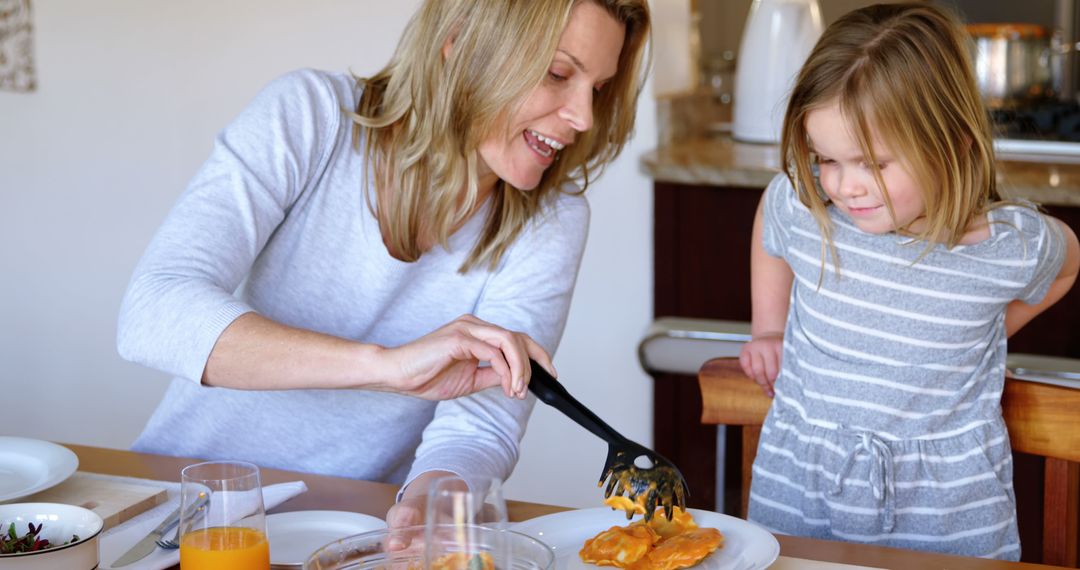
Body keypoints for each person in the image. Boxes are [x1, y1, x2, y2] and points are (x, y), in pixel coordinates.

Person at [116, 0, 650, 528]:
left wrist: (430, 506)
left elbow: (484, 417)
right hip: (182, 509)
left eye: (598, 89)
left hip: (352, 525)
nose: (584, 117)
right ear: (460, 43)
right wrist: (386, 368)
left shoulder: (552, 219)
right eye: (558, 73)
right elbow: (153, 313)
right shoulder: (311, 116)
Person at [737, 3, 1079, 560]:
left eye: (872, 163)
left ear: (954, 143)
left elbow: (1066, 264)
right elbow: (770, 216)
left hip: (943, 517)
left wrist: (985, 334)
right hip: (802, 494)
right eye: (827, 158)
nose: (845, 186)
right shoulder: (810, 210)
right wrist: (769, 329)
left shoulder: (1002, 245)